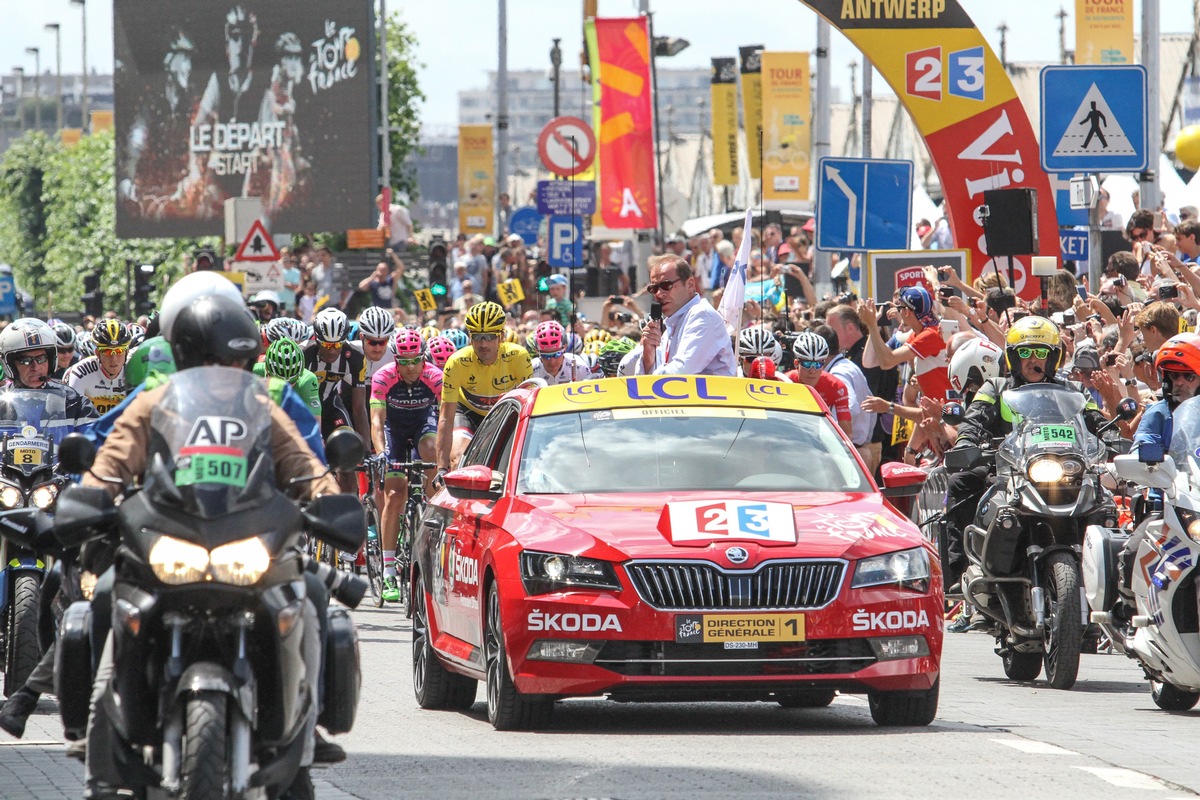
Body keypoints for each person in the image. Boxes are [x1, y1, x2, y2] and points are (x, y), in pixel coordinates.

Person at [80, 293, 346, 797]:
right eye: (217, 361)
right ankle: (101, 754)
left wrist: (331, 502)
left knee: (308, 601)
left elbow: (307, 467)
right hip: (171, 541)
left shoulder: (263, 405)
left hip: (247, 542)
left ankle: (302, 742)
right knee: (105, 597)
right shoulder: (155, 402)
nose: (230, 371)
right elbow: (111, 461)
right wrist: (87, 496)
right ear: (188, 359)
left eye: (240, 362)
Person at [943, 317, 1111, 589]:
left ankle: (1113, 584)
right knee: (962, 481)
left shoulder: (1074, 390)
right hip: (1009, 468)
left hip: (1067, 468)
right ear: (1012, 356)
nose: (1033, 359)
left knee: (1106, 504)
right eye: (1025, 352)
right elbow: (974, 420)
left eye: (1041, 352)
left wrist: (1112, 435)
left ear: (1053, 357)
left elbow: (1096, 420)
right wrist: (966, 441)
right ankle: (961, 568)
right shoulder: (996, 387)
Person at [0, 319, 96, 739]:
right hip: (8, 490)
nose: (36, 367)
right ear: (11, 365)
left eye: (42, 358)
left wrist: (79, 470)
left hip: (51, 491)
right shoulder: (1, 402)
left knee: (86, 561)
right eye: (26, 361)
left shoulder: (73, 401)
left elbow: (96, 439)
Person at [369, 329, 441, 602]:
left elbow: (445, 418)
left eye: (415, 360)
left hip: (424, 425)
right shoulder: (384, 376)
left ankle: (434, 512)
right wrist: (381, 453)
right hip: (394, 431)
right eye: (404, 361)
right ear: (396, 360)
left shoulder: (435, 376)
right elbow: (376, 421)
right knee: (395, 494)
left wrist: (443, 463)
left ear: (424, 358)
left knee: (432, 450)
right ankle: (388, 571)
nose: (410, 367)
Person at [435, 302, 532, 478]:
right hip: (467, 412)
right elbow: (446, 418)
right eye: (477, 336)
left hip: (502, 413)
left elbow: (530, 405)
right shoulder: (456, 363)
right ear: (470, 337)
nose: (483, 343)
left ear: (501, 336)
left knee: (511, 466)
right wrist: (442, 467)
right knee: (458, 460)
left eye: (489, 336)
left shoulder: (518, 357)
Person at [621, 255, 737, 377]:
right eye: (654, 288)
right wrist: (648, 357)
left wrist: (649, 377)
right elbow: (659, 374)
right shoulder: (672, 324)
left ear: (690, 284)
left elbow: (681, 372)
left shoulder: (701, 315)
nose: (659, 294)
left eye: (666, 285)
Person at [855, 287, 953, 401]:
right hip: (938, 410)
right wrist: (874, 325)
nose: (897, 311)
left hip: (947, 411)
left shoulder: (931, 334)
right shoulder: (919, 333)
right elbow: (872, 361)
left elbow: (887, 361)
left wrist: (871, 324)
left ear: (907, 312)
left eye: (899, 307)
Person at [786, 331, 852, 436]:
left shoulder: (836, 386)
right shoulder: (785, 383)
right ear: (796, 363)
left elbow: (847, 434)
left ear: (823, 365)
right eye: (807, 364)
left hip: (817, 437)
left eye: (817, 365)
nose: (812, 371)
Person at [65, 319, 134, 414]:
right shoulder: (80, 372)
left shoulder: (134, 371)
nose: (113, 359)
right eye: (107, 351)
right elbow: (72, 416)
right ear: (97, 353)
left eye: (119, 351)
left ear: (126, 352)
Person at [256, 338, 321, 420]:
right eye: (278, 383)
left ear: (300, 373)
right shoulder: (255, 371)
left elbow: (315, 421)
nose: (285, 388)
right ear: (267, 371)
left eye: (292, 382)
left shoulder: (307, 380)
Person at [530, 321, 594, 385]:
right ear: (536, 351)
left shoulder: (579, 366)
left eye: (556, 354)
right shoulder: (530, 369)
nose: (552, 361)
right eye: (545, 356)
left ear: (565, 347)